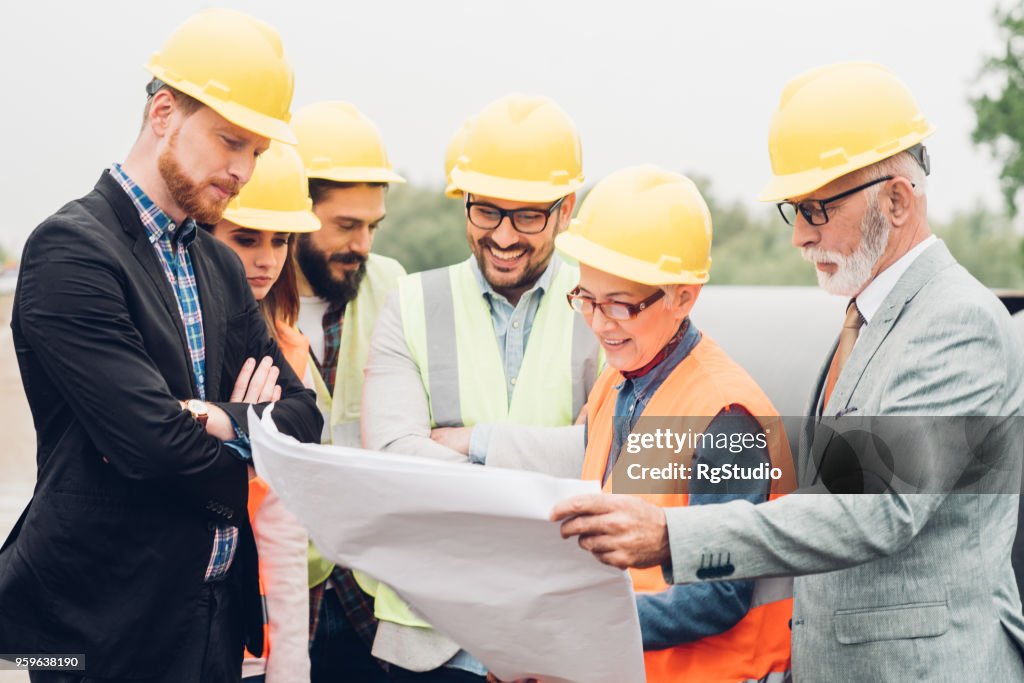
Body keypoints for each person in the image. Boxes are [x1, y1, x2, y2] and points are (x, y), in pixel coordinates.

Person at [553, 62, 1024, 681]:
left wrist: (672, 535)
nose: (801, 236)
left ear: (898, 199)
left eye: (816, 209)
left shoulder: (955, 323)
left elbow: (875, 509)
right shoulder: (866, 321)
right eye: (794, 212)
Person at [0, 9, 322, 682]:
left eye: (257, 153)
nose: (243, 170)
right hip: (98, 626)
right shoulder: (71, 252)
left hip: (210, 618)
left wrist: (213, 416)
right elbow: (148, 444)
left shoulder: (220, 264)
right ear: (165, 112)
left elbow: (303, 417)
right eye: (231, 141)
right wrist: (247, 436)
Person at [361, 93, 602, 681]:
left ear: (566, 209)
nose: (503, 235)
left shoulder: (605, 308)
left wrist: (473, 441)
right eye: (486, 211)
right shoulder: (411, 303)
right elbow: (393, 459)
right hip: (427, 644)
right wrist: (549, 465)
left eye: (528, 216)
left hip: (557, 639)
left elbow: (609, 455)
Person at [553, 165, 794, 682]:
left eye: (620, 304)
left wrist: (585, 624)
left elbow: (717, 593)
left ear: (684, 295)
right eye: (586, 299)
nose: (598, 322)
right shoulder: (616, 382)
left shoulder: (725, 415)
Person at [289, 101, 408, 682]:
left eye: (371, 226)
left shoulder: (390, 287)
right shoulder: (237, 294)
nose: (363, 244)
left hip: (370, 590)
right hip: (282, 590)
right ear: (295, 211)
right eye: (345, 225)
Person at [208, 141, 323, 683]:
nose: (267, 258)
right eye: (247, 238)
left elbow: (283, 518)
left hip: (254, 620)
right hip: (170, 616)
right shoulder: (172, 337)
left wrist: (290, 665)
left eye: (281, 240)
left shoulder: (289, 352)